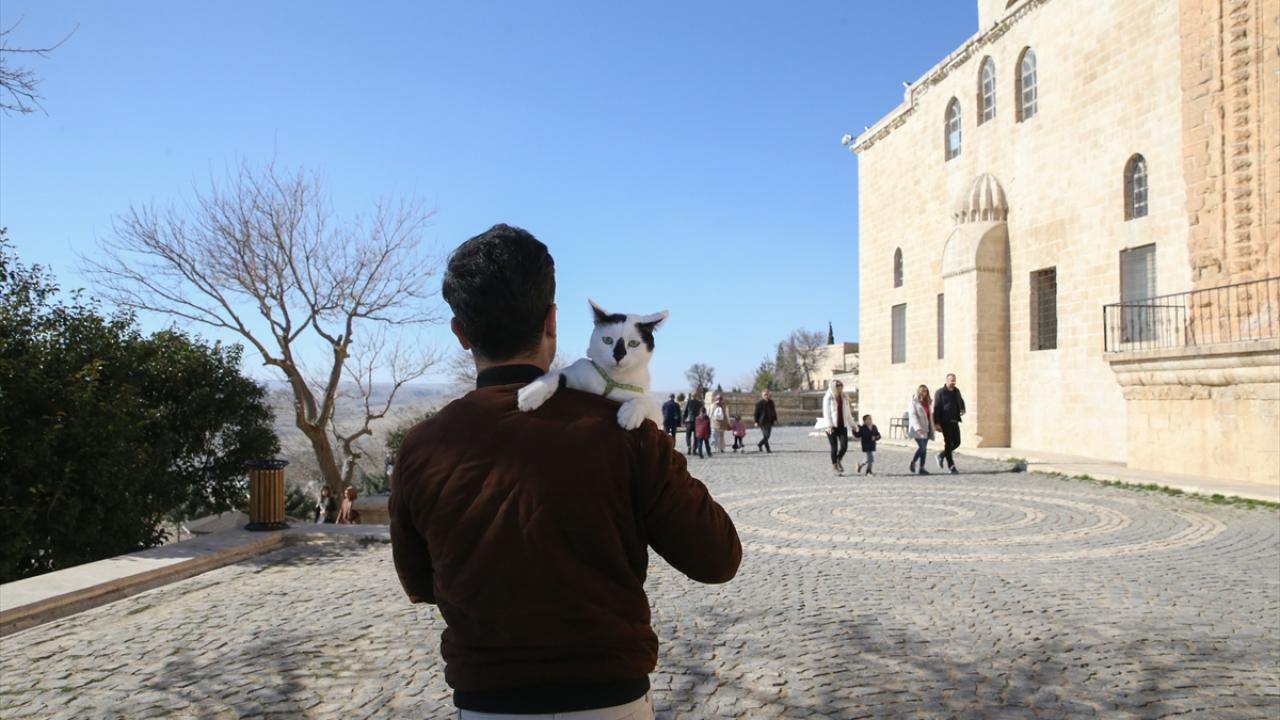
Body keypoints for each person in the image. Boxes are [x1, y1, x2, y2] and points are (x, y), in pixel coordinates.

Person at [388, 224, 741, 718]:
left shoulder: (422, 448)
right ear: (551, 321)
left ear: (461, 332)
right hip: (610, 699)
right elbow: (717, 557)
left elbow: (420, 584)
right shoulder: (623, 429)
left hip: (487, 701)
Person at [933, 373, 967, 474]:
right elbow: (936, 408)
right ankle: (951, 466)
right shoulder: (940, 392)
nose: (953, 383)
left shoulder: (956, 391)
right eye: (951, 381)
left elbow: (960, 400)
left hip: (954, 420)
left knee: (957, 442)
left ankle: (941, 455)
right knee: (948, 443)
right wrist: (937, 423)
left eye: (954, 380)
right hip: (945, 421)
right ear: (946, 381)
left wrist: (962, 408)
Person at [820, 379, 852, 475]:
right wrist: (829, 425)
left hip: (842, 425)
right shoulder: (828, 397)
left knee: (844, 446)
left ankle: (838, 459)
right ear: (834, 387)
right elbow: (826, 413)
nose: (839, 389)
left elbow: (848, 413)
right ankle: (834, 466)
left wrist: (853, 425)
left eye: (841, 386)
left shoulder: (844, 397)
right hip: (831, 426)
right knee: (834, 447)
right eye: (838, 387)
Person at [907, 385, 934, 475]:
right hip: (917, 429)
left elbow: (930, 415)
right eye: (922, 391)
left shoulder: (928, 403)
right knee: (922, 447)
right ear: (918, 391)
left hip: (926, 428)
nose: (924, 393)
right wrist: (918, 428)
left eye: (925, 391)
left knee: (924, 449)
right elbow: (912, 415)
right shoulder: (914, 402)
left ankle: (922, 468)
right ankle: (913, 462)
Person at [754, 388, 778, 453]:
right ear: (762, 395)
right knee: (766, 435)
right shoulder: (759, 403)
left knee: (768, 435)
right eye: (765, 395)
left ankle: (760, 444)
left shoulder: (771, 402)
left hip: (770, 421)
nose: (766, 396)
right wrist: (756, 422)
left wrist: (775, 419)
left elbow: (774, 411)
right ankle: (768, 449)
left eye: (767, 394)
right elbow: (756, 413)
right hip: (762, 421)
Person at [682, 390, 705, 455]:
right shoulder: (700, 403)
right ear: (697, 396)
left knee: (688, 435)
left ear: (691, 396)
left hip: (689, 421)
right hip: (697, 421)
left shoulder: (688, 402)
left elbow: (684, 412)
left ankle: (689, 446)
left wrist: (683, 420)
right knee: (696, 436)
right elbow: (702, 413)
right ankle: (694, 449)